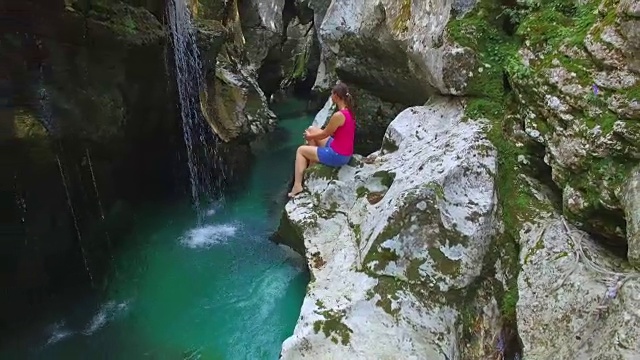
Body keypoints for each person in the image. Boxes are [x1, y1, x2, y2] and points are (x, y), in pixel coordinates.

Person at [287, 82, 356, 198]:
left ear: (336, 96)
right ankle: (312, 164)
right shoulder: (349, 111)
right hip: (342, 150)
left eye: (332, 94)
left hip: (338, 155)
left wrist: (310, 137)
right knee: (312, 129)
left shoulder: (338, 115)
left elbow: (325, 133)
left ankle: (297, 185)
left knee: (300, 150)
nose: (331, 96)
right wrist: (312, 133)